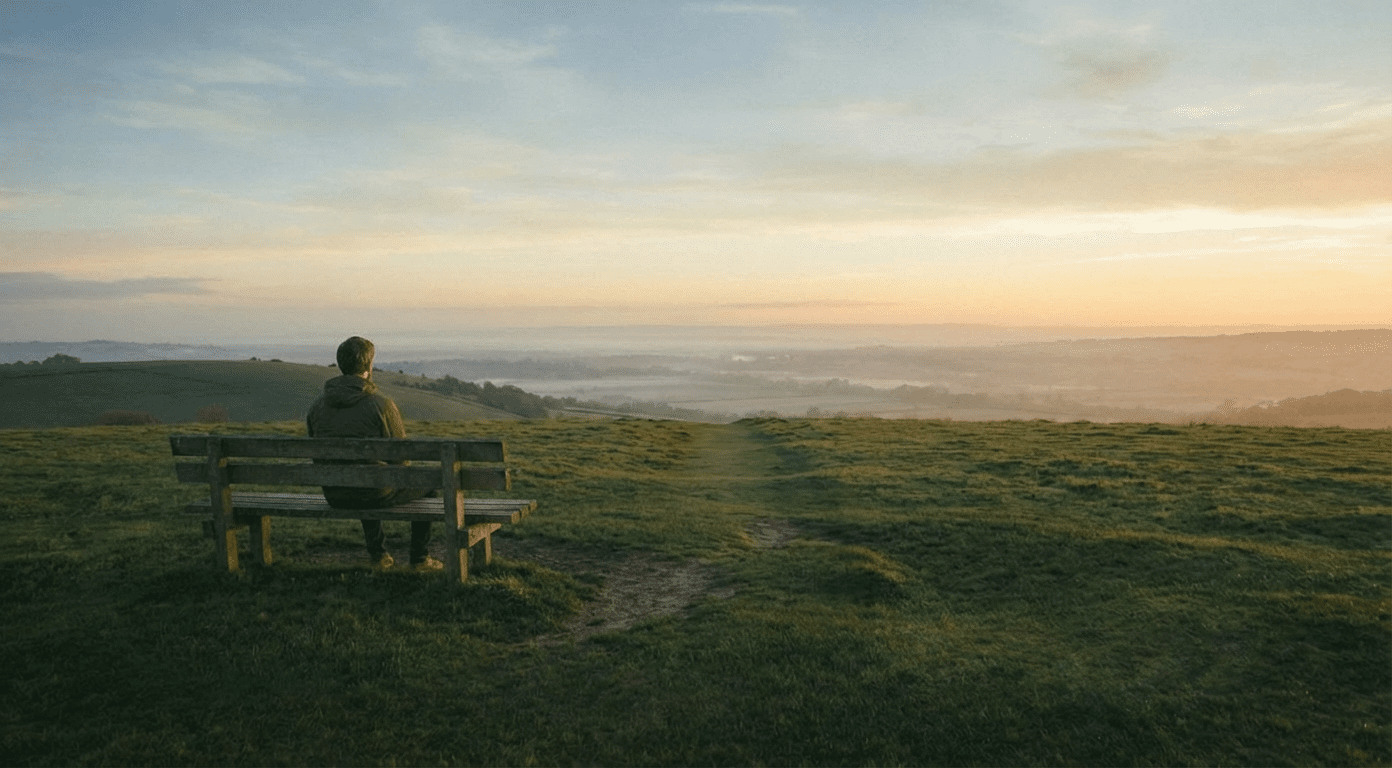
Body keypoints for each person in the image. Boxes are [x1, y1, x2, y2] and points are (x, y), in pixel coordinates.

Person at [306, 336, 442, 571]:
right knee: (425, 484)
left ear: (341, 365)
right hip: (372, 492)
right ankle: (420, 558)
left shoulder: (317, 407)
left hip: (334, 493)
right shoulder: (381, 405)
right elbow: (402, 459)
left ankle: (378, 555)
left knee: (363, 475)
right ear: (369, 366)